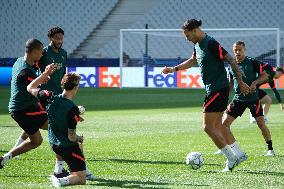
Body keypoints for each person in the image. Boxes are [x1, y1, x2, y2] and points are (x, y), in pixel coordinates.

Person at [162, 19, 250, 172]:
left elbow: (231, 60)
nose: (187, 39)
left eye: (188, 35)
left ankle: (231, 158)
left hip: (217, 90)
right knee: (218, 126)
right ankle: (240, 154)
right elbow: (193, 60)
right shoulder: (198, 45)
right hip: (216, 89)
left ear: (195, 30)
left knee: (207, 127)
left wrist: (241, 82)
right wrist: (173, 69)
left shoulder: (211, 43)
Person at [27, 67, 91, 187]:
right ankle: (60, 180)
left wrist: (42, 76)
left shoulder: (49, 97)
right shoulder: (72, 109)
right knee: (81, 179)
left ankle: (72, 170)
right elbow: (71, 137)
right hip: (67, 146)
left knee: (78, 149)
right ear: (76, 87)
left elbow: (30, 88)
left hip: (53, 143)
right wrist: (79, 138)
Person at [219, 41, 275, 157]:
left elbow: (265, 75)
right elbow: (230, 83)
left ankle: (270, 149)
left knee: (261, 123)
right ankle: (225, 147)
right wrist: (224, 98)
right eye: (235, 50)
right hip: (238, 99)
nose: (237, 52)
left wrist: (255, 82)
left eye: (240, 50)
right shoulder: (231, 64)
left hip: (253, 99)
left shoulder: (252, 62)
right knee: (224, 123)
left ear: (244, 49)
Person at [0, 38, 48, 168]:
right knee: (55, 125)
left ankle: (3, 159)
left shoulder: (19, 61)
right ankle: (60, 168)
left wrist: (41, 78)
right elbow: (33, 88)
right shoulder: (24, 71)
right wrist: (43, 78)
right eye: (41, 51)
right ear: (34, 52)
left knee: (36, 141)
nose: (42, 54)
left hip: (22, 108)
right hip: (24, 110)